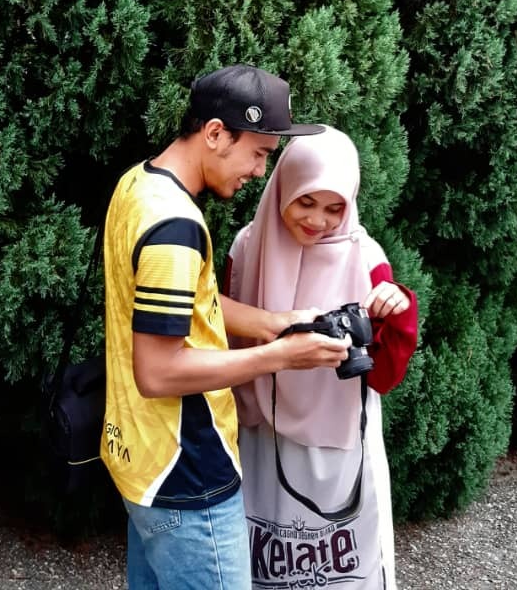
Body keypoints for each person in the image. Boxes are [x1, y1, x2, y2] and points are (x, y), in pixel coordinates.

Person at [101, 65, 352, 590]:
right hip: (188, 474)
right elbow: (158, 371)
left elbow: (185, 301)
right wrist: (281, 357)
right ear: (216, 133)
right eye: (258, 153)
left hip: (140, 460)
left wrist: (274, 323)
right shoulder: (175, 228)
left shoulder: (139, 185)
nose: (261, 172)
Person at [224, 126, 418, 590]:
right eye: (305, 202)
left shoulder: (365, 258)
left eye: (335, 208)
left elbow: (384, 377)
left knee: (341, 569)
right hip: (258, 432)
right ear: (282, 189)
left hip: (337, 441)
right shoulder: (247, 247)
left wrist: (398, 314)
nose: (318, 221)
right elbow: (222, 335)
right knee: (263, 561)